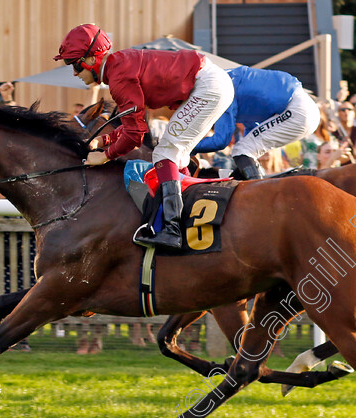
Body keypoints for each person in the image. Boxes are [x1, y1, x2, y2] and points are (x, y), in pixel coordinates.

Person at [56, 23, 234, 249]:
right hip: (211, 82)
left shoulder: (119, 77)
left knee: (165, 152)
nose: (74, 73)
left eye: (74, 65)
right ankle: (187, 217)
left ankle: (172, 229)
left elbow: (136, 136)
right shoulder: (118, 67)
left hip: (208, 85)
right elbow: (134, 125)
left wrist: (105, 156)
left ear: (91, 59)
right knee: (175, 155)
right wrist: (103, 140)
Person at [192, 66, 320, 180]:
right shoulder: (225, 79)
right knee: (245, 150)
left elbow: (220, 141)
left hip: (296, 109)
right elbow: (252, 128)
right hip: (305, 109)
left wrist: (185, 147)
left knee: (242, 150)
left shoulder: (219, 88)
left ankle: (259, 192)